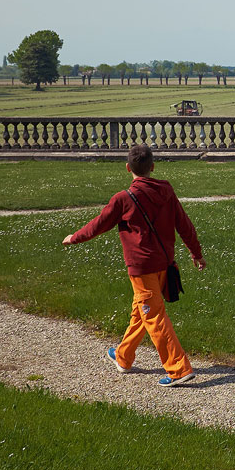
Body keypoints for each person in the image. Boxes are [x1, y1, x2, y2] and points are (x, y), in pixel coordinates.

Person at [62, 144, 206, 387]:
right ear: (152, 167)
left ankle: (179, 369)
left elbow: (99, 224)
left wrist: (74, 237)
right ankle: (123, 356)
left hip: (142, 267)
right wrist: (196, 252)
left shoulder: (123, 199)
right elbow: (184, 223)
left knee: (154, 317)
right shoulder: (167, 190)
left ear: (128, 167)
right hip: (164, 262)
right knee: (141, 311)